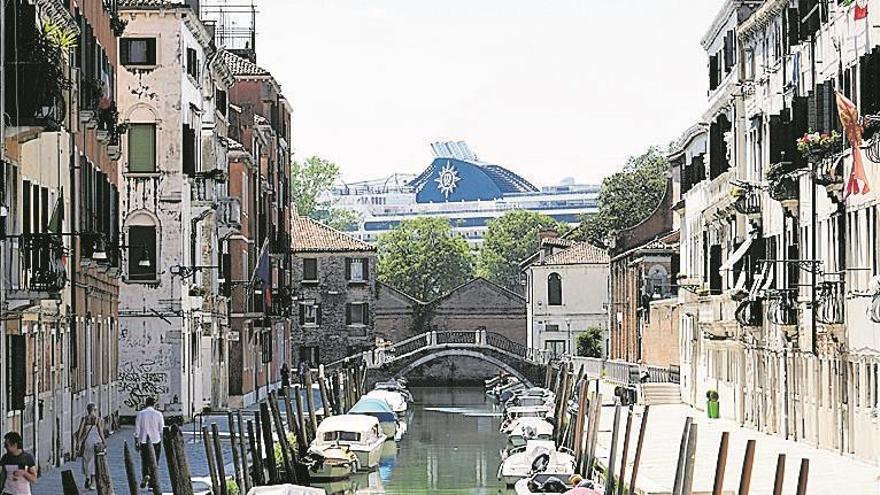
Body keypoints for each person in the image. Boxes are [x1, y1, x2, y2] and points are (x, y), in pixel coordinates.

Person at [134, 397, 165, 489]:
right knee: (155, 462)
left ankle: (145, 475)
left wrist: (136, 441)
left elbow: (137, 429)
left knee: (145, 461)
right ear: (154, 404)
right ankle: (152, 483)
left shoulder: (140, 414)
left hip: (144, 441)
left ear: (145, 403)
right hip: (156, 440)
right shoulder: (158, 414)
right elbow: (161, 429)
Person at [75, 404, 106, 490]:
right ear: (94, 410)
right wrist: (104, 441)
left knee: (86, 460)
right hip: (96, 441)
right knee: (93, 461)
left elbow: (80, 431)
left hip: (87, 442)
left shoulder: (84, 419)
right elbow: (100, 431)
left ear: (88, 410)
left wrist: (78, 442)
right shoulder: (97, 420)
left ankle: (87, 477)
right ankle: (92, 482)